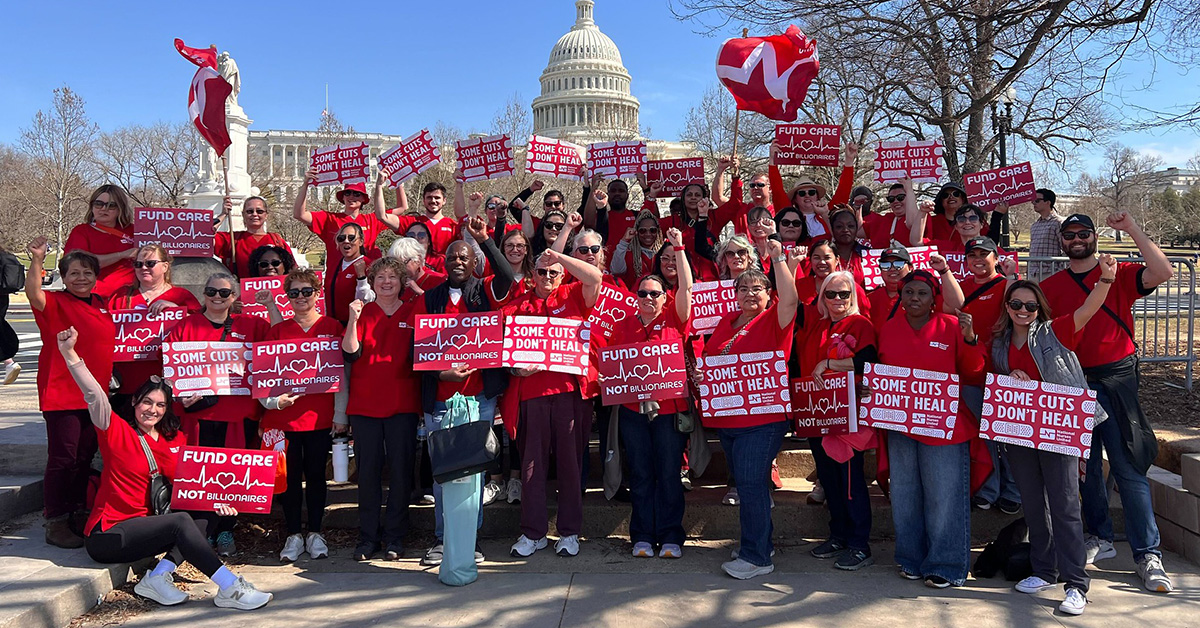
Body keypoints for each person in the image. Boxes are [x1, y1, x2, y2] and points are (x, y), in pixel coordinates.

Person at [56, 327, 272, 610]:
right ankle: (230, 587)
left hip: (148, 527)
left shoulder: (175, 439)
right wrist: (69, 353)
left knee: (204, 513)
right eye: (146, 401)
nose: (152, 410)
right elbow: (94, 394)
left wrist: (220, 501)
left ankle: (157, 577)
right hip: (109, 535)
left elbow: (193, 486)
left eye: (160, 405)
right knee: (181, 521)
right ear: (134, 401)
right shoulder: (115, 430)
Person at [1040, 212, 1176, 593]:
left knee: (1128, 468)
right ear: (1062, 241)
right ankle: (1097, 536)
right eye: (1070, 235)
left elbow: (1163, 271)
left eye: (1084, 233)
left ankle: (1148, 553)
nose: (1077, 239)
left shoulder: (1120, 273)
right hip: (1072, 381)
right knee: (1083, 470)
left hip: (1117, 380)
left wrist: (1132, 227)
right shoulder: (1050, 286)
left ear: (1094, 237)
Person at [990, 256, 1118, 616]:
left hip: (1058, 427)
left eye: (1030, 305)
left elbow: (1087, 310)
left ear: (1039, 308)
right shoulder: (999, 342)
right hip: (1019, 430)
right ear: (1007, 306)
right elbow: (995, 378)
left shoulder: (1054, 331)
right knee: (1033, 502)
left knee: (1064, 504)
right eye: (1016, 303)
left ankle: (1076, 583)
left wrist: (1105, 280)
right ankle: (1044, 569)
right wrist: (1011, 374)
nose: (1023, 310)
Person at [412, 214, 515, 566]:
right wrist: (443, 374)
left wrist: (485, 239)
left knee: (474, 474)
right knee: (443, 474)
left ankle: (470, 540)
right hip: (440, 402)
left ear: (474, 264)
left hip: (478, 399)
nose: (457, 261)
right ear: (443, 262)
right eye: (452, 256)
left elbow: (508, 276)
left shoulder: (485, 291)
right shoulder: (429, 298)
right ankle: (443, 540)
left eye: (464, 257)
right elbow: (421, 350)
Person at [876, 269, 985, 588]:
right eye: (909, 292)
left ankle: (947, 564)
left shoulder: (952, 326)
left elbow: (974, 372)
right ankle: (910, 558)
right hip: (900, 426)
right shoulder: (888, 328)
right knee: (905, 496)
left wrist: (970, 340)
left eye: (922, 293)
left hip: (944, 428)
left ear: (933, 298)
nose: (914, 298)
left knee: (944, 497)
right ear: (900, 295)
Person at [703, 241, 801, 580]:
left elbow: (792, 298)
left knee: (751, 484)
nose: (749, 293)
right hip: (729, 420)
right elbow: (714, 361)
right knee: (746, 484)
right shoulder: (726, 322)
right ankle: (758, 542)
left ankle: (757, 558)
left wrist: (777, 259)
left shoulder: (776, 319)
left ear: (769, 293)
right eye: (743, 288)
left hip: (763, 421)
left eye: (757, 288)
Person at [501, 249, 603, 559]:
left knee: (570, 465)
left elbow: (595, 276)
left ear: (563, 275)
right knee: (532, 468)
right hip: (531, 395)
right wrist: (517, 369)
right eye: (541, 272)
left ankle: (570, 531)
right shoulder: (516, 307)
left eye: (553, 273)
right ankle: (533, 533)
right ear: (531, 275)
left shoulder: (573, 294)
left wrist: (557, 255)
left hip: (569, 394)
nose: (547, 277)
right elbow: (505, 353)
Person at [166, 273, 270, 556]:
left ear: (233, 298)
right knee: (202, 478)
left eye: (224, 293)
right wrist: (180, 395)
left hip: (239, 416)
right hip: (199, 418)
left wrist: (271, 304)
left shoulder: (251, 325)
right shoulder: (186, 327)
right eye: (211, 291)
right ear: (203, 293)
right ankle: (204, 530)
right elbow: (172, 373)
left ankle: (226, 529)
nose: (217, 297)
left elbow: (276, 348)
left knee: (233, 478)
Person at [25, 238, 115, 548]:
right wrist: (38, 259)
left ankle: (78, 511)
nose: (81, 278)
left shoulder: (102, 304)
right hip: (63, 392)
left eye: (87, 272)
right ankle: (57, 519)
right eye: (74, 273)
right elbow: (33, 293)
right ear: (64, 276)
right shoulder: (55, 302)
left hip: (94, 394)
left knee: (84, 456)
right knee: (63, 458)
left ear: (95, 276)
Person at [613, 228, 693, 559]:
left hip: (669, 411)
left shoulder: (676, 318)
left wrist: (678, 247)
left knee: (669, 473)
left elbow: (687, 286)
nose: (649, 299)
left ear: (665, 297)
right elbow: (612, 366)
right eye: (643, 294)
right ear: (636, 298)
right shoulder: (623, 326)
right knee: (642, 474)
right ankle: (642, 535)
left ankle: (672, 535)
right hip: (633, 412)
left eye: (655, 294)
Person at [258, 268, 346, 562]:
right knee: (289, 479)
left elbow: (342, 375)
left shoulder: (332, 327)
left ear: (317, 293)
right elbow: (264, 376)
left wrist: (341, 414)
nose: (300, 298)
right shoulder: (278, 331)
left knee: (317, 477)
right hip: (283, 421)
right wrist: (274, 403)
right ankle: (293, 533)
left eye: (306, 291)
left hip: (320, 418)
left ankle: (316, 532)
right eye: (293, 293)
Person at [341, 257, 422, 562]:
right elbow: (350, 352)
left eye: (393, 277)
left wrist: (416, 284)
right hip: (365, 407)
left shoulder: (413, 310)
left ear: (401, 282)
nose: (386, 282)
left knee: (401, 474)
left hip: (402, 405)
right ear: (371, 283)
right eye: (380, 277)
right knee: (368, 475)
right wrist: (352, 319)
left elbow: (438, 320)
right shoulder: (364, 312)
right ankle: (367, 537)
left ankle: (395, 537)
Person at [797, 270, 878, 570]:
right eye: (830, 294)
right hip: (817, 413)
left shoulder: (860, 323)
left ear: (853, 295)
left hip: (847, 414)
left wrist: (830, 362)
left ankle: (860, 544)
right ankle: (839, 535)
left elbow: (869, 358)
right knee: (829, 478)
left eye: (844, 293)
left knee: (849, 481)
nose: (837, 299)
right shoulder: (817, 324)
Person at [953, 236, 1021, 514]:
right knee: (984, 435)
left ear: (996, 256)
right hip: (971, 371)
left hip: (1004, 369)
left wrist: (1012, 275)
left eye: (984, 254)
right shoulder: (961, 287)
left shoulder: (1007, 284)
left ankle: (1014, 490)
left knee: (1009, 433)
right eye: (972, 255)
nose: (978, 260)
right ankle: (989, 488)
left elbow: (1023, 306)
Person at [108, 244, 202, 418]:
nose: (144, 268)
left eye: (150, 263)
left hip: (166, 384)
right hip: (127, 385)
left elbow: (201, 330)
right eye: (138, 264)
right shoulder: (121, 296)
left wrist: (177, 311)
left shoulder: (182, 296)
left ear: (165, 266)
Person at [294, 167, 387, 260]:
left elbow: (401, 208)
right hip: (337, 273)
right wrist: (305, 183)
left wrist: (397, 180)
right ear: (343, 197)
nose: (351, 196)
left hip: (365, 272)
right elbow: (299, 214)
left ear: (364, 198)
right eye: (347, 193)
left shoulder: (372, 219)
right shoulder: (329, 218)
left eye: (357, 194)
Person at [64, 184, 138, 299]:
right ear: (92, 207)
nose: (103, 209)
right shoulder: (81, 231)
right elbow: (79, 264)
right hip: (94, 297)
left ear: (120, 209)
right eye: (98, 204)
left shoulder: (135, 231)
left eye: (111, 206)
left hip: (129, 297)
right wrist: (122, 255)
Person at [376, 180, 460, 256]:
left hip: (444, 272)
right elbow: (382, 216)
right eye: (429, 197)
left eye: (437, 198)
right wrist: (379, 185)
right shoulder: (413, 223)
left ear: (444, 201)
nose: (433, 201)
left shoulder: (453, 226)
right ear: (424, 200)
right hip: (417, 270)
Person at [214, 196, 292, 277]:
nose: (254, 214)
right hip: (240, 288)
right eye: (250, 211)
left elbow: (292, 269)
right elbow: (205, 236)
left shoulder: (277, 240)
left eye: (259, 211)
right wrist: (223, 214)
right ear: (243, 214)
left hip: (274, 288)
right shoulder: (232, 239)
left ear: (266, 215)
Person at [323, 222, 368, 323]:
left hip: (356, 324)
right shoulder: (334, 265)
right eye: (341, 238)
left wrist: (362, 278)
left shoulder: (368, 265)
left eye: (351, 238)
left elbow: (368, 300)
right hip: (333, 324)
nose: (346, 241)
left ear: (360, 241)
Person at [861, 179, 923, 248]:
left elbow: (912, 223)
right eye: (891, 199)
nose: (895, 201)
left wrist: (909, 189)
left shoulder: (922, 216)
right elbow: (857, 231)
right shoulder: (883, 220)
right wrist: (858, 207)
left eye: (900, 197)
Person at [611, 211, 662, 288]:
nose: (648, 234)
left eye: (652, 230)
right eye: (642, 231)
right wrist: (624, 242)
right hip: (634, 297)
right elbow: (616, 271)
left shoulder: (664, 252)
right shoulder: (628, 253)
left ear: (658, 231)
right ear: (636, 232)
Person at [390, 237, 447, 305]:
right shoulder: (395, 284)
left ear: (418, 260)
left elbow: (440, 307)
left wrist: (419, 291)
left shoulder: (438, 282)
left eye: (403, 263)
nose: (399, 268)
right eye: (395, 264)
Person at [1025, 189, 1067, 282]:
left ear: (1048, 202)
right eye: (1032, 201)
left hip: (1051, 272)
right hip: (1033, 273)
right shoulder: (1034, 225)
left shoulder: (1059, 222)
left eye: (1037, 200)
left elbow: (1066, 249)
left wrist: (1060, 271)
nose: (1033, 203)